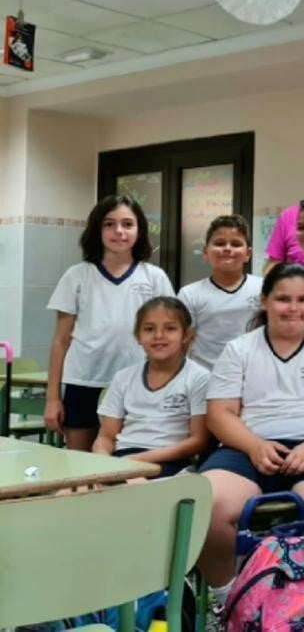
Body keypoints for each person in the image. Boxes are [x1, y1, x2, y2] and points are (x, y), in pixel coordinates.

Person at [198, 264, 304, 607]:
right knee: (207, 499)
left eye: (303, 299)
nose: (293, 307)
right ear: (264, 302)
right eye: (283, 298)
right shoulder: (239, 349)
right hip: (246, 446)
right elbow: (220, 413)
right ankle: (230, 597)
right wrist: (253, 445)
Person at [46, 195, 174, 451]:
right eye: (109, 224)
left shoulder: (154, 277)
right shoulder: (77, 276)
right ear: (97, 229)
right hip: (83, 380)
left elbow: (169, 338)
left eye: (128, 224)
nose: (119, 231)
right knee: (79, 464)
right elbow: (61, 340)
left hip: (138, 380)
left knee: (127, 460)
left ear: (139, 230)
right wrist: (52, 399)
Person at [94, 297, 210, 478]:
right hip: (121, 459)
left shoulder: (199, 378)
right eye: (149, 329)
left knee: (131, 490)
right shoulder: (123, 377)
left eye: (170, 329)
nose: (158, 336)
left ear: (186, 336)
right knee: (68, 494)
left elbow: (198, 441)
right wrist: (103, 461)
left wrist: (138, 461)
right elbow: (106, 437)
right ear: (137, 337)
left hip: (170, 462)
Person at [177, 215, 262, 371]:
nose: (227, 248)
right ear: (205, 252)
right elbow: (181, 343)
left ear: (248, 254)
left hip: (254, 374)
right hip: (206, 379)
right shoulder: (189, 294)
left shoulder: (264, 289)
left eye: (236, 244)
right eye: (219, 243)